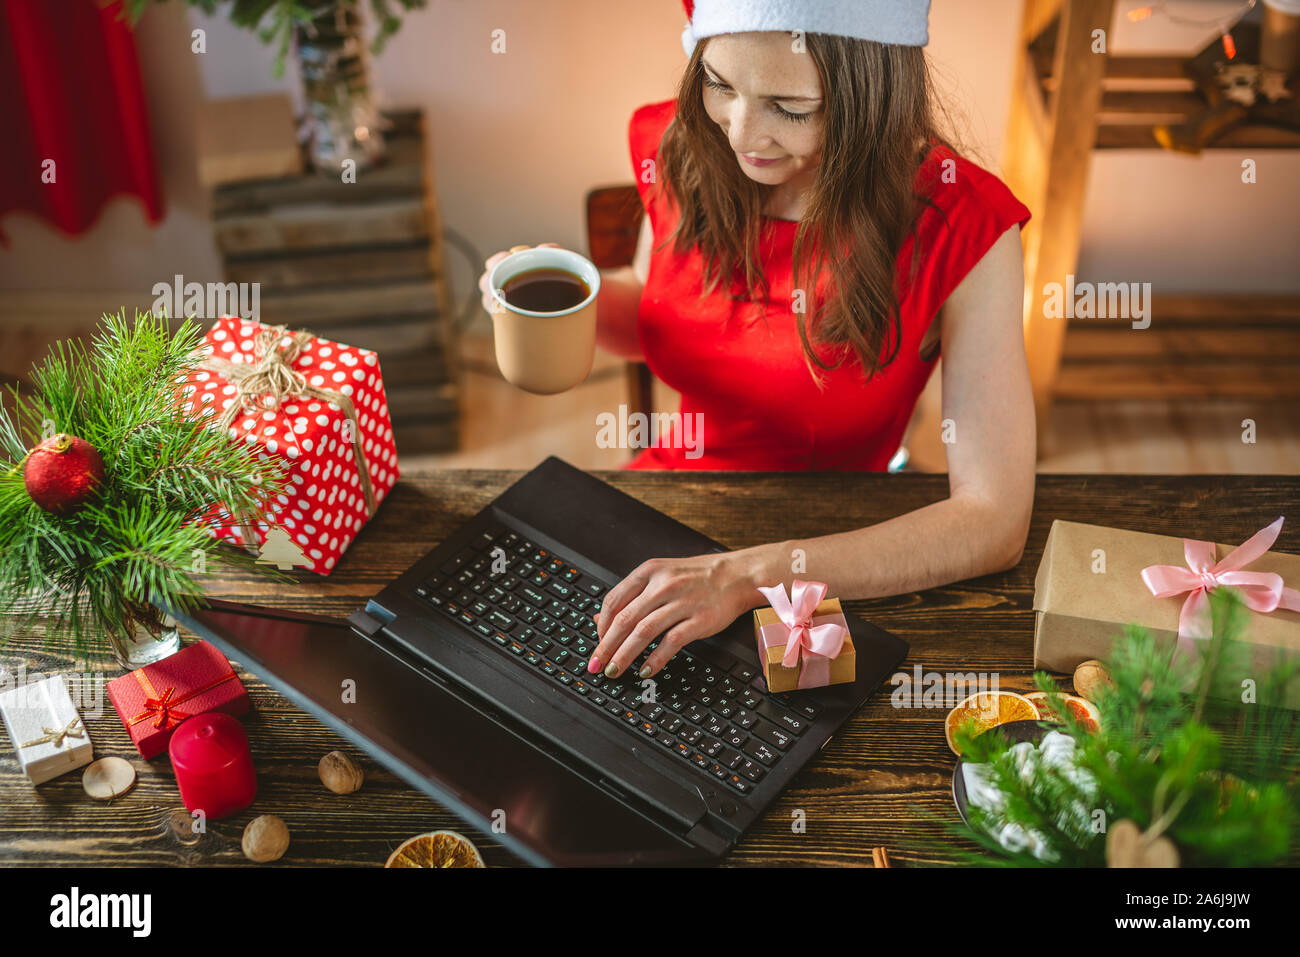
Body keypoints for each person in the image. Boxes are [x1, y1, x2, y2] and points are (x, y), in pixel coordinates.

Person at [477, 1, 1034, 682]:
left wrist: (748, 576)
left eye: (790, 108)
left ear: (874, 96)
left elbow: (994, 519)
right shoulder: (687, 146)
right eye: (719, 84)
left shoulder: (963, 225)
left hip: (831, 552)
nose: (741, 132)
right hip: (667, 506)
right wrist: (567, 296)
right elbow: (666, 316)